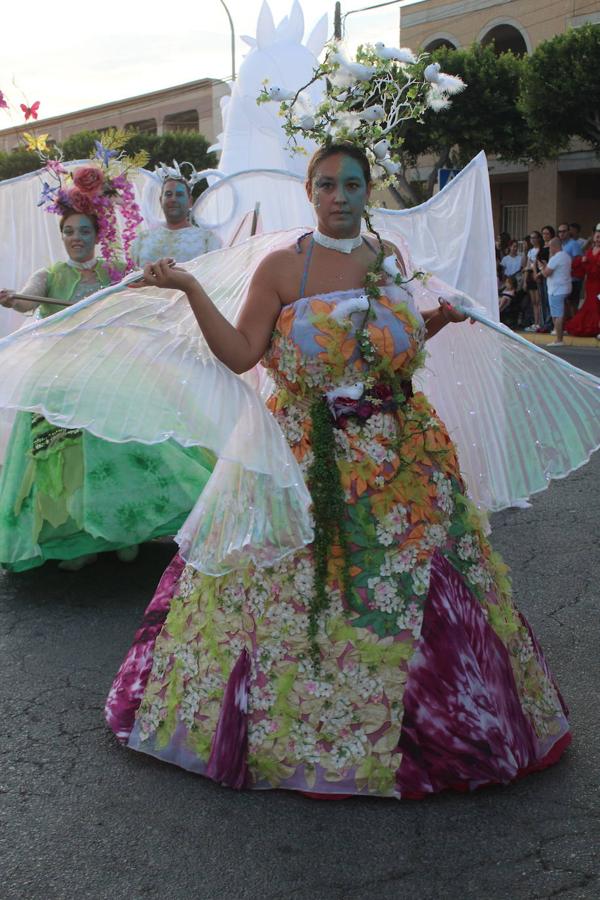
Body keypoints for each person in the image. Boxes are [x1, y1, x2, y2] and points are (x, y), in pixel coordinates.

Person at [104, 143, 570, 800]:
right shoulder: (280, 269)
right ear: (309, 189)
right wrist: (187, 288)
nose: (340, 196)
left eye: (352, 184)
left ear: (366, 189)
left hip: (401, 458)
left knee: (414, 588)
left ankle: (437, 717)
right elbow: (240, 354)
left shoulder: (386, 260)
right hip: (305, 460)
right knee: (292, 597)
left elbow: (387, 355)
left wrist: (434, 319)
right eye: (327, 184)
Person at [0, 207, 214, 572]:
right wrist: (13, 298)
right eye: (69, 230)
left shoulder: (112, 272)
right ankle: (77, 540)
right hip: (61, 378)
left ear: (97, 235)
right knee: (65, 461)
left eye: (84, 230)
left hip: (111, 371)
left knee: (127, 447)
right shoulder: (49, 274)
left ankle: (126, 534)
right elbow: (27, 301)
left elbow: (140, 298)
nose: (76, 237)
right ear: (62, 235)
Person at [130, 173, 221, 266]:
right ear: (161, 201)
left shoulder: (207, 240)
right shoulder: (142, 240)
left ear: (190, 201)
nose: (173, 199)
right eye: (168, 194)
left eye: (179, 194)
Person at [565, 227, 600, 338]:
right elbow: (579, 266)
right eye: (597, 237)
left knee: (597, 305)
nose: (599, 239)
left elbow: (596, 269)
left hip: (598, 282)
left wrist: (586, 263)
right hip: (589, 283)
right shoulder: (589, 251)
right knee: (589, 304)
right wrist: (582, 261)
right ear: (594, 237)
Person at [536, 236, 572, 347]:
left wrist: (542, 267)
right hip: (563, 288)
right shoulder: (566, 256)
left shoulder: (557, 257)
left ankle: (559, 339)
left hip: (556, 290)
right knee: (558, 313)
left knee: (557, 315)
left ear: (555, 246)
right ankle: (558, 334)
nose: (549, 248)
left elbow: (547, 273)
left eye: (550, 246)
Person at [557, 223, 582, 319]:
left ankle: (574, 324)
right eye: (559, 232)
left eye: (564, 231)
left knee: (572, 303)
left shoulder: (574, 244)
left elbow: (577, 260)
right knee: (564, 303)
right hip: (563, 279)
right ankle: (568, 324)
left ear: (568, 232)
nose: (561, 234)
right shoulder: (560, 245)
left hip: (574, 278)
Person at [523, 230, 543, 332]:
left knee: (539, 301)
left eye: (534, 238)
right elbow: (527, 265)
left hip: (538, 275)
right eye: (531, 238)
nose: (533, 240)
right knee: (534, 301)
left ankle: (539, 322)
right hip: (530, 275)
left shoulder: (541, 249)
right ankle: (535, 322)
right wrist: (525, 280)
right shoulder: (530, 251)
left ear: (539, 238)